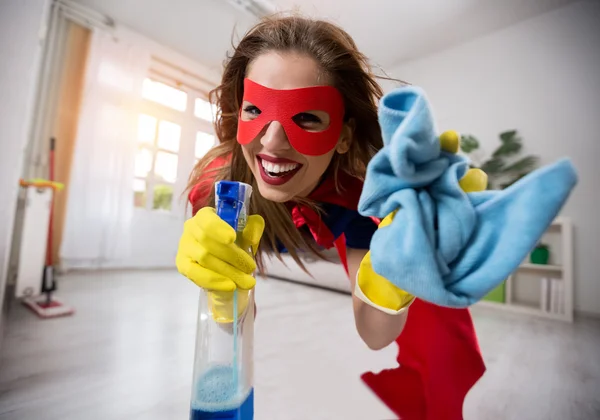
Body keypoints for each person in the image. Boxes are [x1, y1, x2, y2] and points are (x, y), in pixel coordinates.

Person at [177, 14, 486, 420]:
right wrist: (224, 295)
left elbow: (375, 333)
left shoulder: (355, 197)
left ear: (342, 136)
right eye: (255, 109)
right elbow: (233, 329)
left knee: (438, 337)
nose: (272, 142)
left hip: (333, 215)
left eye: (305, 117)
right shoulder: (219, 191)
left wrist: (392, 277)